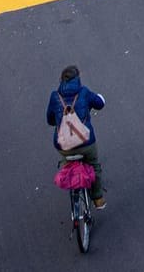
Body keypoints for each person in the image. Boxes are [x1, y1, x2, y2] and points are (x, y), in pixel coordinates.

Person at [46, 65, 106, 211]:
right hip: (86, 142)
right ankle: (98, 199)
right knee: (94, 165)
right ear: (78, 78)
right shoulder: (83, 92)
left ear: (61, 80)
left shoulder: (55, 96)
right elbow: (100, 104)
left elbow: (50, 120)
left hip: (64, 145)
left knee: (67, 161)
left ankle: (70, 175)